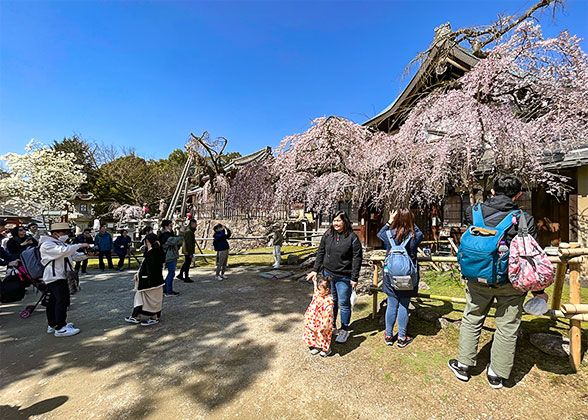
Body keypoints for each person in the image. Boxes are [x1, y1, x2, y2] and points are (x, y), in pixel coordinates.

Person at [448, 175, 541, 389]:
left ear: (491, 192)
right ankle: (496, 373)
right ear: (518, 195)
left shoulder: (474, 212)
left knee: (472, 317)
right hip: (510, 281)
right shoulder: (524, 219)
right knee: (507, 326)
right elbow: (532, 255)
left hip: (476, 278)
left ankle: (463, 365)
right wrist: (539, 290)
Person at [307, 211, 362, 344]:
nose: (336, 223)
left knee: (344, 303)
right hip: (328, 275)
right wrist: (316, 270)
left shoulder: (352, 237)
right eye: (334, 220)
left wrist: (354, 277)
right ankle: (331, 326)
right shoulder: (328, 235)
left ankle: (344, 329)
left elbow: (357, 258)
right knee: (332, 303)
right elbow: (321, 252)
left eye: (339, 220)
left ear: (345, 221)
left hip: (344, 277)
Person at [377, 209, 424, 348]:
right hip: (407, 277)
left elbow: (380, 233)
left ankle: (389, 336)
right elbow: (421, 233)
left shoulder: (389, 234)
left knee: (392, 305)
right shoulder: (415, 236)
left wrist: (390, 221)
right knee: (404, 305)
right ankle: (402, 337)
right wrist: (410, 221)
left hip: (390, 276)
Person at [39, 222, 90, 337]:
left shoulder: (60, 244)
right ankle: (60, 327)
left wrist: (87, 255)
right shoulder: (47, 245)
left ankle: (53, 324)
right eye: (64, 232)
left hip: (60, 275)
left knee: (53, 301)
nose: (66, 235)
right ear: (55, 233)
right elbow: (64, 252)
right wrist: (79, 245)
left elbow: (73, 256)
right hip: (55, 276)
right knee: (62, 301)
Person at [125, 233, 165, 326]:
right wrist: (138, 274)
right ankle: (139, 316)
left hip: (150, 282)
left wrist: (141, 276)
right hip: (156, 281)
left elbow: (149, 268)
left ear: (147, 241)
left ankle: (142, 316)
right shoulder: (157, 251)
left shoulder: (152, 253)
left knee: (145, 299)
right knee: (152, 300)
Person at [303, 274, 335, 357]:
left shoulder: (329, 301)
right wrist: (314, 282)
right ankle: (317, 346)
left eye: (320, 289)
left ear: (327, 290)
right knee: (314, 333)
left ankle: (326, 349)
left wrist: (323, 325)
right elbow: (315, 290)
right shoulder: (319, 294)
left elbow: (328, 315)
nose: (318, 291)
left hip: (322, 322)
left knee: (323, 335)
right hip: (314, 320)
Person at [158, 219, 185, 296]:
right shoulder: (165, 235)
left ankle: (166, 289)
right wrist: (182, 232)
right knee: (171, 273)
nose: (171, 227)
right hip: (170, 256)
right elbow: (175, 240)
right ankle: (168, 290)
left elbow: (178, 241)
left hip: (171, 255)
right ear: (166, 226)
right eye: (170, 225)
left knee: (171, 273)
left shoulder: (167, 234)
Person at [177, 218, 197, 283]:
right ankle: (186, 277)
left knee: (186, 263)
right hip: (187, 250)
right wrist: (190, 253)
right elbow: (188, 243)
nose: (196, 225)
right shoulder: (189, 232)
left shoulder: (190, 231)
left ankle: (181, 274)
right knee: (187, 263)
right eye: (195, 224)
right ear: (192, 224)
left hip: (187, 250)